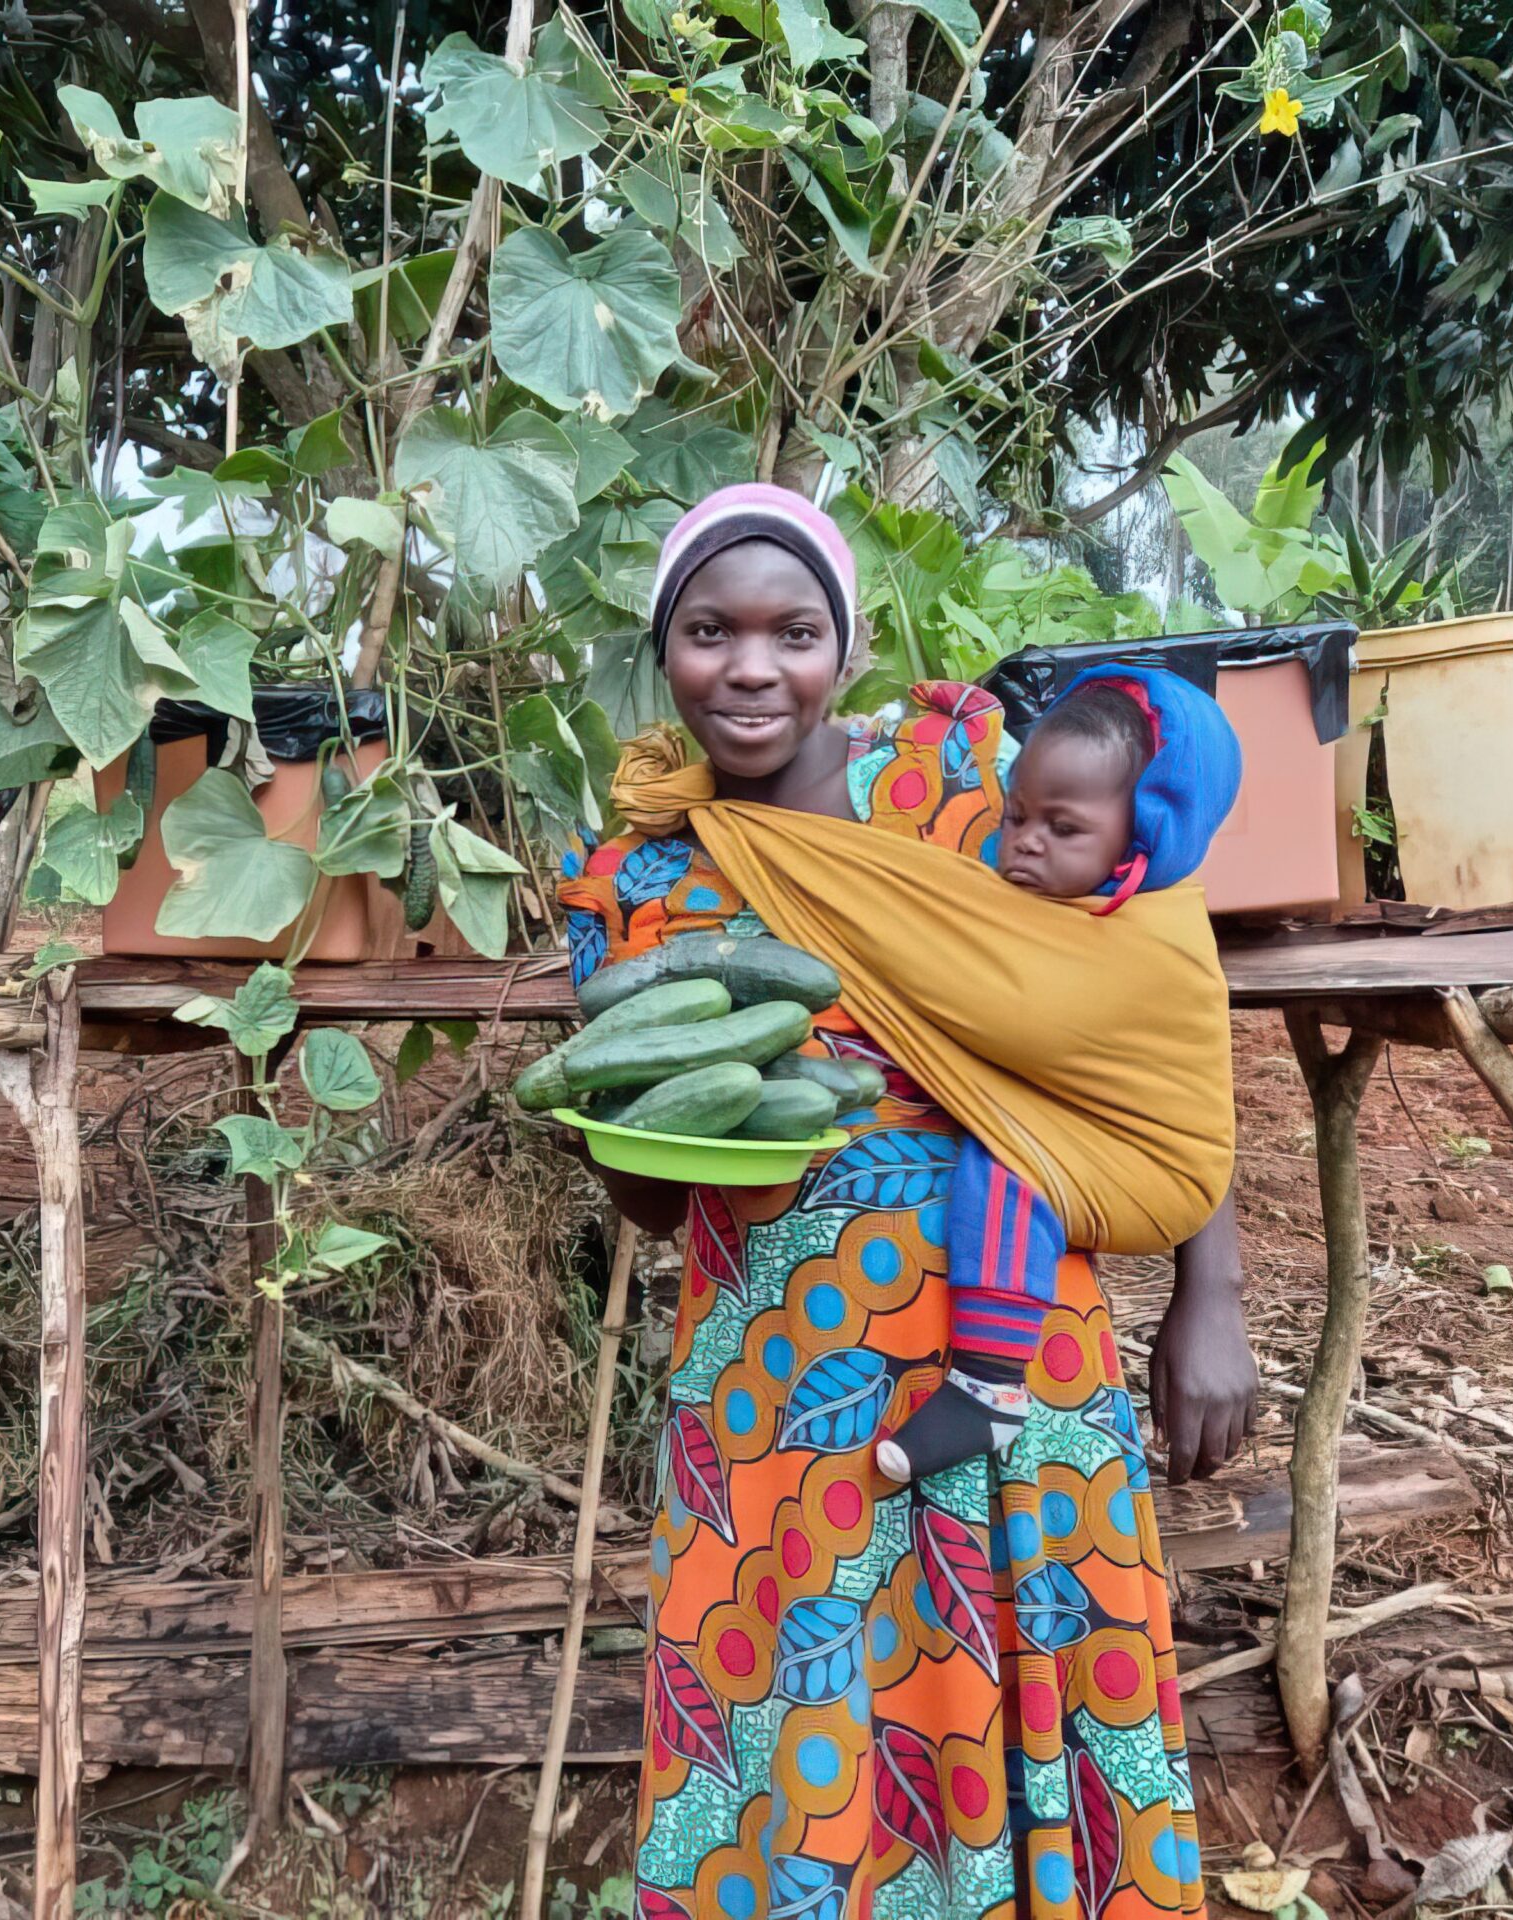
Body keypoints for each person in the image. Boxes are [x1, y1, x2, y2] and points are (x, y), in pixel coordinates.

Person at [560, 482, 1250, 1918]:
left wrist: (1212, 1286)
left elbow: (1144, 1021)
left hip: (1012, 1338)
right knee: (794, 1731)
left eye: (793, 631)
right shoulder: (639, 877)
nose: (753, 668)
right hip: (771, 1371)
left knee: (1028, 1691)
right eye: (710, 632)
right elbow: (638, 1196)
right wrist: (622, 1135)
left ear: (844, 647)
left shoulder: (961, 786)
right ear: (665, 650)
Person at [875, 671, 1242, 1487]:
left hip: (1138, 1165)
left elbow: (1176, 1080)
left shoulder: (1152, 930)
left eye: (1064, 828)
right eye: (1016, 816)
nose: (1025, 843)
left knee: (1007, 1165)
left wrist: (1218, 1289)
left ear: (1144, 837)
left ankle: (988, 1387)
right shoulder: (1020, 888)